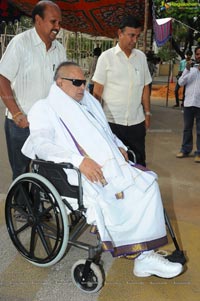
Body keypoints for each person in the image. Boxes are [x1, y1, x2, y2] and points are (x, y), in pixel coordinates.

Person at [22, 61, 183, 279]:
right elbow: (41, 145)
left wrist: (120, 146)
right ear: (59, 83)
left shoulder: (86, 103)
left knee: (148, 184)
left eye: (84, 82)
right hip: (77, 171)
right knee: (125, 196)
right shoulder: (44, 108)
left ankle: (145, 255)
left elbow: (104, 133)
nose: (82, 87)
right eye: (77, 82)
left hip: (110, 165)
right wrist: (78, 161)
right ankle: (143, 257)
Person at [0, 0, 66, 181]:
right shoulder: (20, 43)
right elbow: (2, 78)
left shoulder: (59, 49)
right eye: (53, 22)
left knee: (44, 171)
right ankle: (21, 208)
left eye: (59, 22)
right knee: (21, 172)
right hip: (21, 124)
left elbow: (62, 84)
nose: (57, 27)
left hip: (47, 125)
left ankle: (37, 208)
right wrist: (16, 113)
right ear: (38, 20)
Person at [92, 15, 152, 167]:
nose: (134, 40)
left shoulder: (141, 58)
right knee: (114, 164)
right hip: (112, 123)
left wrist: (147, 113)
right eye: (131, 35)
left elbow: (145, 86)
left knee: (138, 163)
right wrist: (96, 120)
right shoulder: (106, 58)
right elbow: (97, 93)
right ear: (120, 33)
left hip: (136, 122)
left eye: (137, 36)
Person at [176, 46, 200, 163]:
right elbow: (181, 82)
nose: (199, 56)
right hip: (188, 103)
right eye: (198, 54)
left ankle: (199, 153)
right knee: (187, 128)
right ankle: (185, 149)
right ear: (195, 55)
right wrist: (187, 70)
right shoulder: (190, 68)